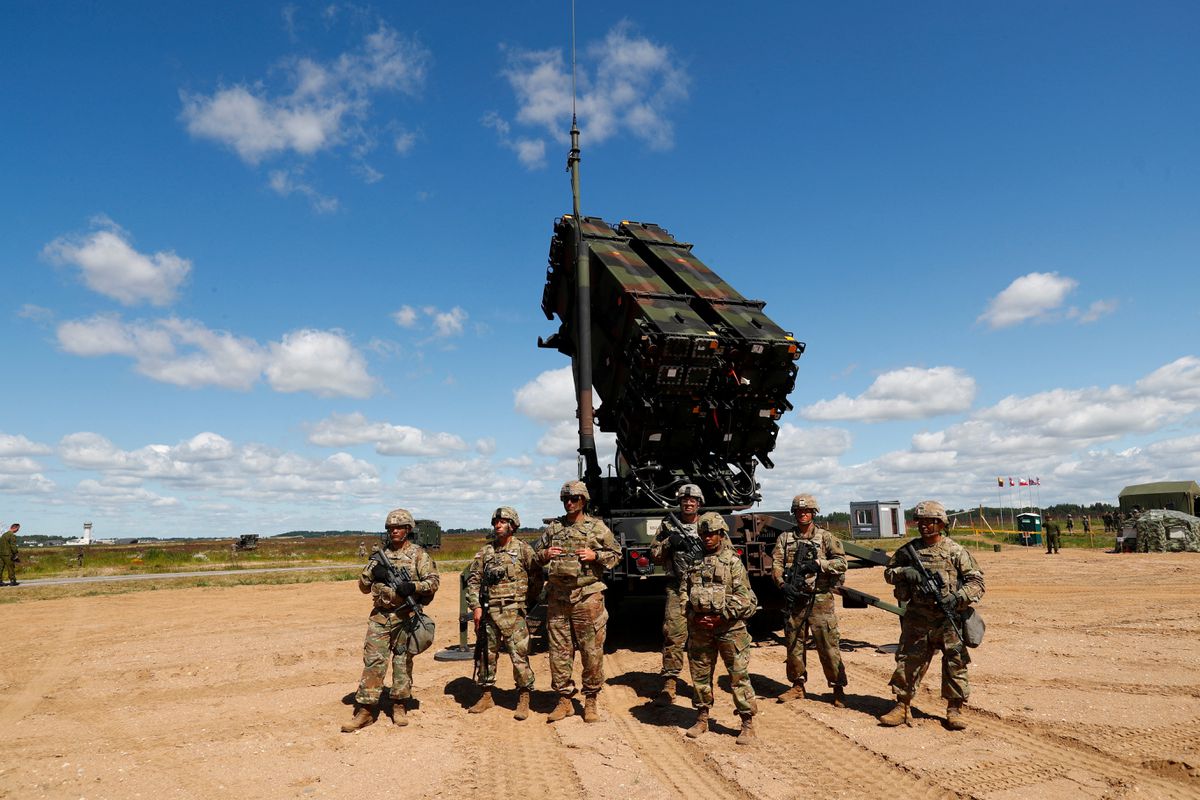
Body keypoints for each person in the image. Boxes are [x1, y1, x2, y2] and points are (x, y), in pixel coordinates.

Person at [878, 500, 985, 731]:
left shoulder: (955, 551)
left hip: (949, 618)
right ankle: (902, 706)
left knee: (955, 663)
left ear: (941, 524)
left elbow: (976, 582)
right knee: (908, 661)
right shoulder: (909, 551)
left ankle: (954, 709)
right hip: (917, 618)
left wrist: (957, 597)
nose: (924, 526)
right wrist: (904, 572)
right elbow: (889, 573)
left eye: (930, 522)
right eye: (921, 522)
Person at [342, 508, 440, 732]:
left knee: (402, 662)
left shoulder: (418, 555)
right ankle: (365, 710)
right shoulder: (379, 556)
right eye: (390, 528)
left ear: (408, 530)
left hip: (405, 617)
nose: (394, 531)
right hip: (380, 617)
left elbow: (433, 582)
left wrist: (413, 586)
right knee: (374, 662)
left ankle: (399, 705)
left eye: (398, 527)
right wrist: (374, 573)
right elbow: (363, 587)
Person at [533, 480, 620, 723]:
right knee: (559, 652)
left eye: (574, 499)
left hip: (587, 597)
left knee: (591, 651)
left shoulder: (597, 528)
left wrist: (596, 555)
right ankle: (564, 700)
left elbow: (616, 555)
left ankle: (590, 700)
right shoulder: (554, 529)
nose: (569, 503)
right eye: (565, 499)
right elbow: (535, 556)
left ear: (583, 500)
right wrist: (545, 554)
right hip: (558, 598)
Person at [684, 512, 758, 745]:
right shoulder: (694, 562)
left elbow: (744, 598)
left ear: (721, 535)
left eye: (712, 534)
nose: (707, 538)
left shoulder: (733, 563)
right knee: (700, 676)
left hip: (730, 630)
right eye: (704, 533)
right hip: (701, 630)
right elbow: (685, 595)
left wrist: (721, 616)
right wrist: (695, 616)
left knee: (738, 677)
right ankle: (702, 718)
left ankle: (747, 723)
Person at [465, 506, 543, 720]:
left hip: (514, 612)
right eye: (495, 522)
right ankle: (487, 694)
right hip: (490, 613)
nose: (498, 525)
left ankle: (524, 696)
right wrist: (477, 607)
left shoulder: (524, 550)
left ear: (513, 525)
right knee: (486, 655)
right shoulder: (485, 552)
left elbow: (537, 578)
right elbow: (474, 581)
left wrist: (525, 602)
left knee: (519, 656)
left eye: (502, 521)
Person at [771, 493, 848, 706]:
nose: (802, 514)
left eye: (806, 511)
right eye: (798, 511)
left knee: (828, 645)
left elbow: (841, 563)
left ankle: (837, 687)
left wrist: (819, 564)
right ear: (794, 513)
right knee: (794, 644)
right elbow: (776, 564)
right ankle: (797, 685)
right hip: (795, 599)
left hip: (820, 598)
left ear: (813, 513)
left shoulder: (826, 537)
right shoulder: (785, 538)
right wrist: (782, 585)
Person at [649, 483, 705, 704]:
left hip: (704, 588)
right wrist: (668, 544)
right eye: (684, 500)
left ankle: (701, 685)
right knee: (673, 635)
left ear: (699, 503)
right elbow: (654, 554)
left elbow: (725, 551)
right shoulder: (668, 525)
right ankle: (670, 683)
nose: (688, 503)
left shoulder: (709, 523)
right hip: (677, 587)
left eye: (692, 500)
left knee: (702, 639)